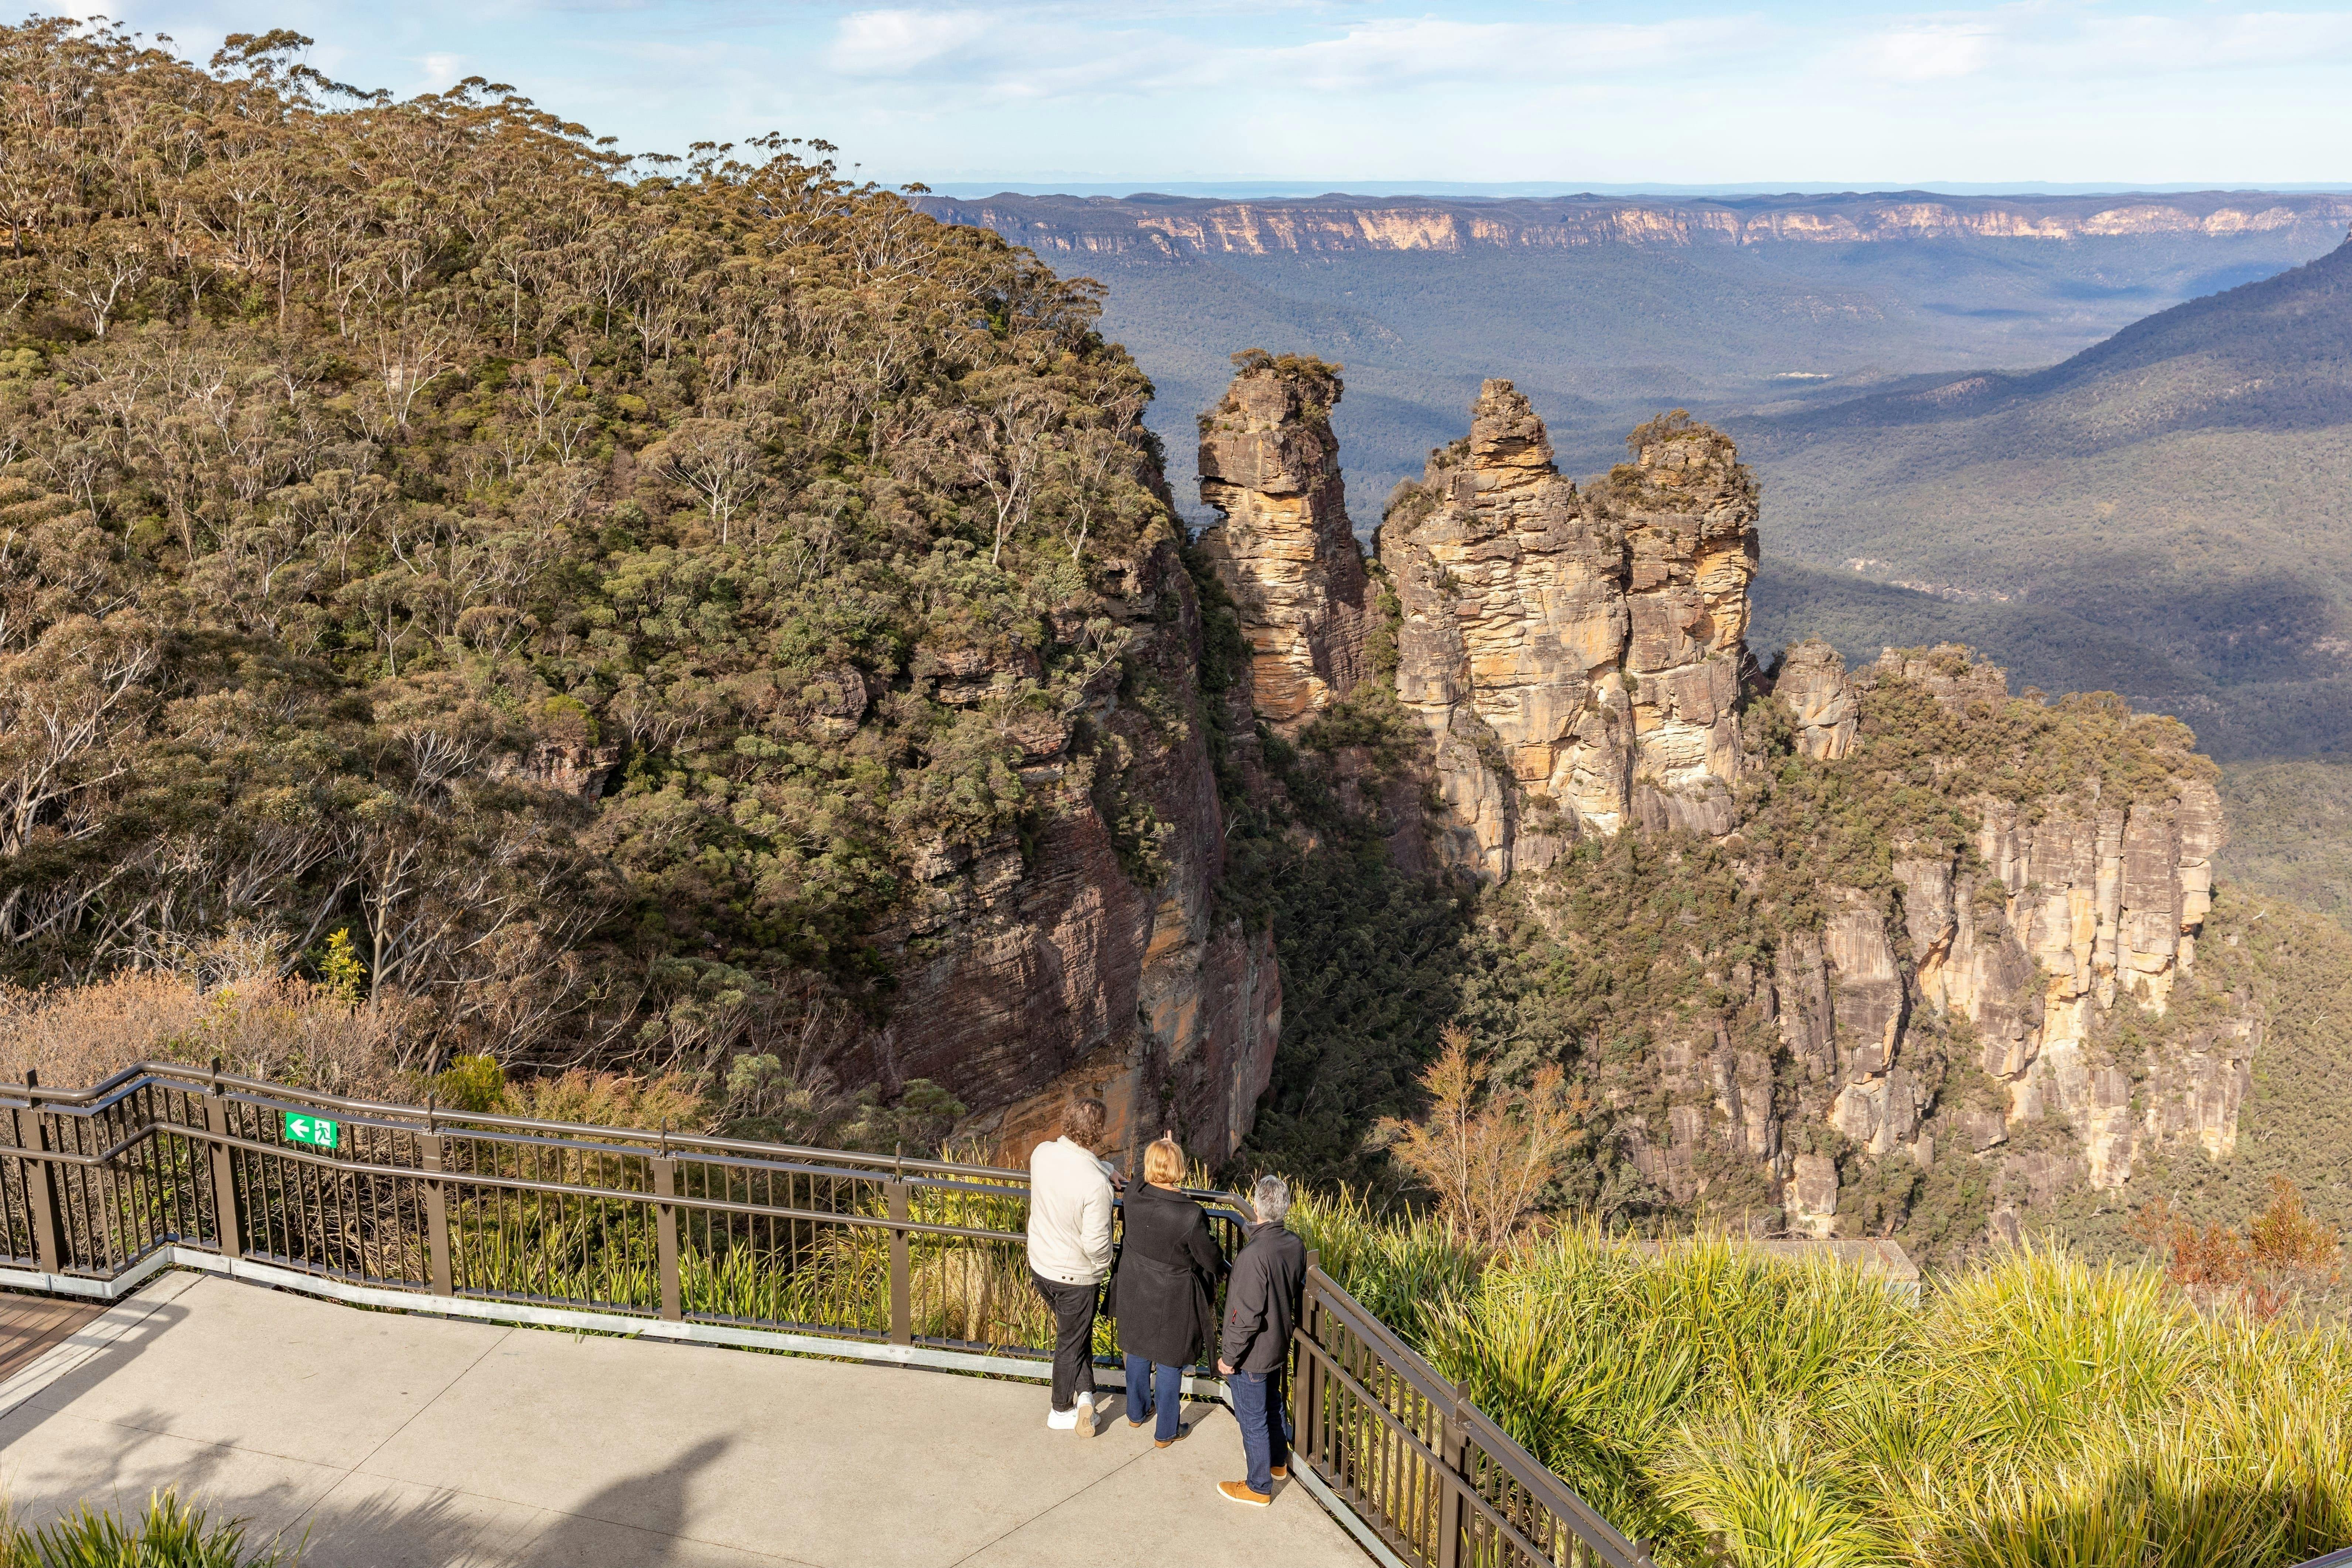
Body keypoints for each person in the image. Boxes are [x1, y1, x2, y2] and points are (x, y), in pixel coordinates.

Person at [1110, 1133, 1226, 1447]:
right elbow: (1210, 1257)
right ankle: (1165, 1432)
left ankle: (1135, 1413)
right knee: (1169, 1360)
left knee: (1135, 1348)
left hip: (1135, 1283)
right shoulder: (1190, 1214)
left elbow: (1136, 1180)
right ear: (1180, 1168)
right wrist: (1227, 1269)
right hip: (1172, 1293)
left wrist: (1162, 1146)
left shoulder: (1133, 1192)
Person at [1027, 1097, 1116, 1436]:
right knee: (1070, 1342)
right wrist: (1103, 1265)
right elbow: (1096, 1244)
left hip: (1041, 1267)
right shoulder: (1096, 1186)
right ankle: (1060, 1409)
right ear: (1097, 1133)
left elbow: (1077, 1163)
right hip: (1075, 1278)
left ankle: (1085, 1398)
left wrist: (1108, 1169)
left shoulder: (1042, 1153)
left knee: (1075, 1335)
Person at [1216, 1174, 1306, 1506]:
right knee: (1272, 1404)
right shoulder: (1293, 1244)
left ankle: (1258, 1486)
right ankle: (1278, 1463)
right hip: (1277, 1345)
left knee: (1252, 1421)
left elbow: (1246, 1315)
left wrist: (1229, 1357)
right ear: (1283, 1208)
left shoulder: (1254, 1255)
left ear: (1255, 1206)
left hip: (1252, 1354)